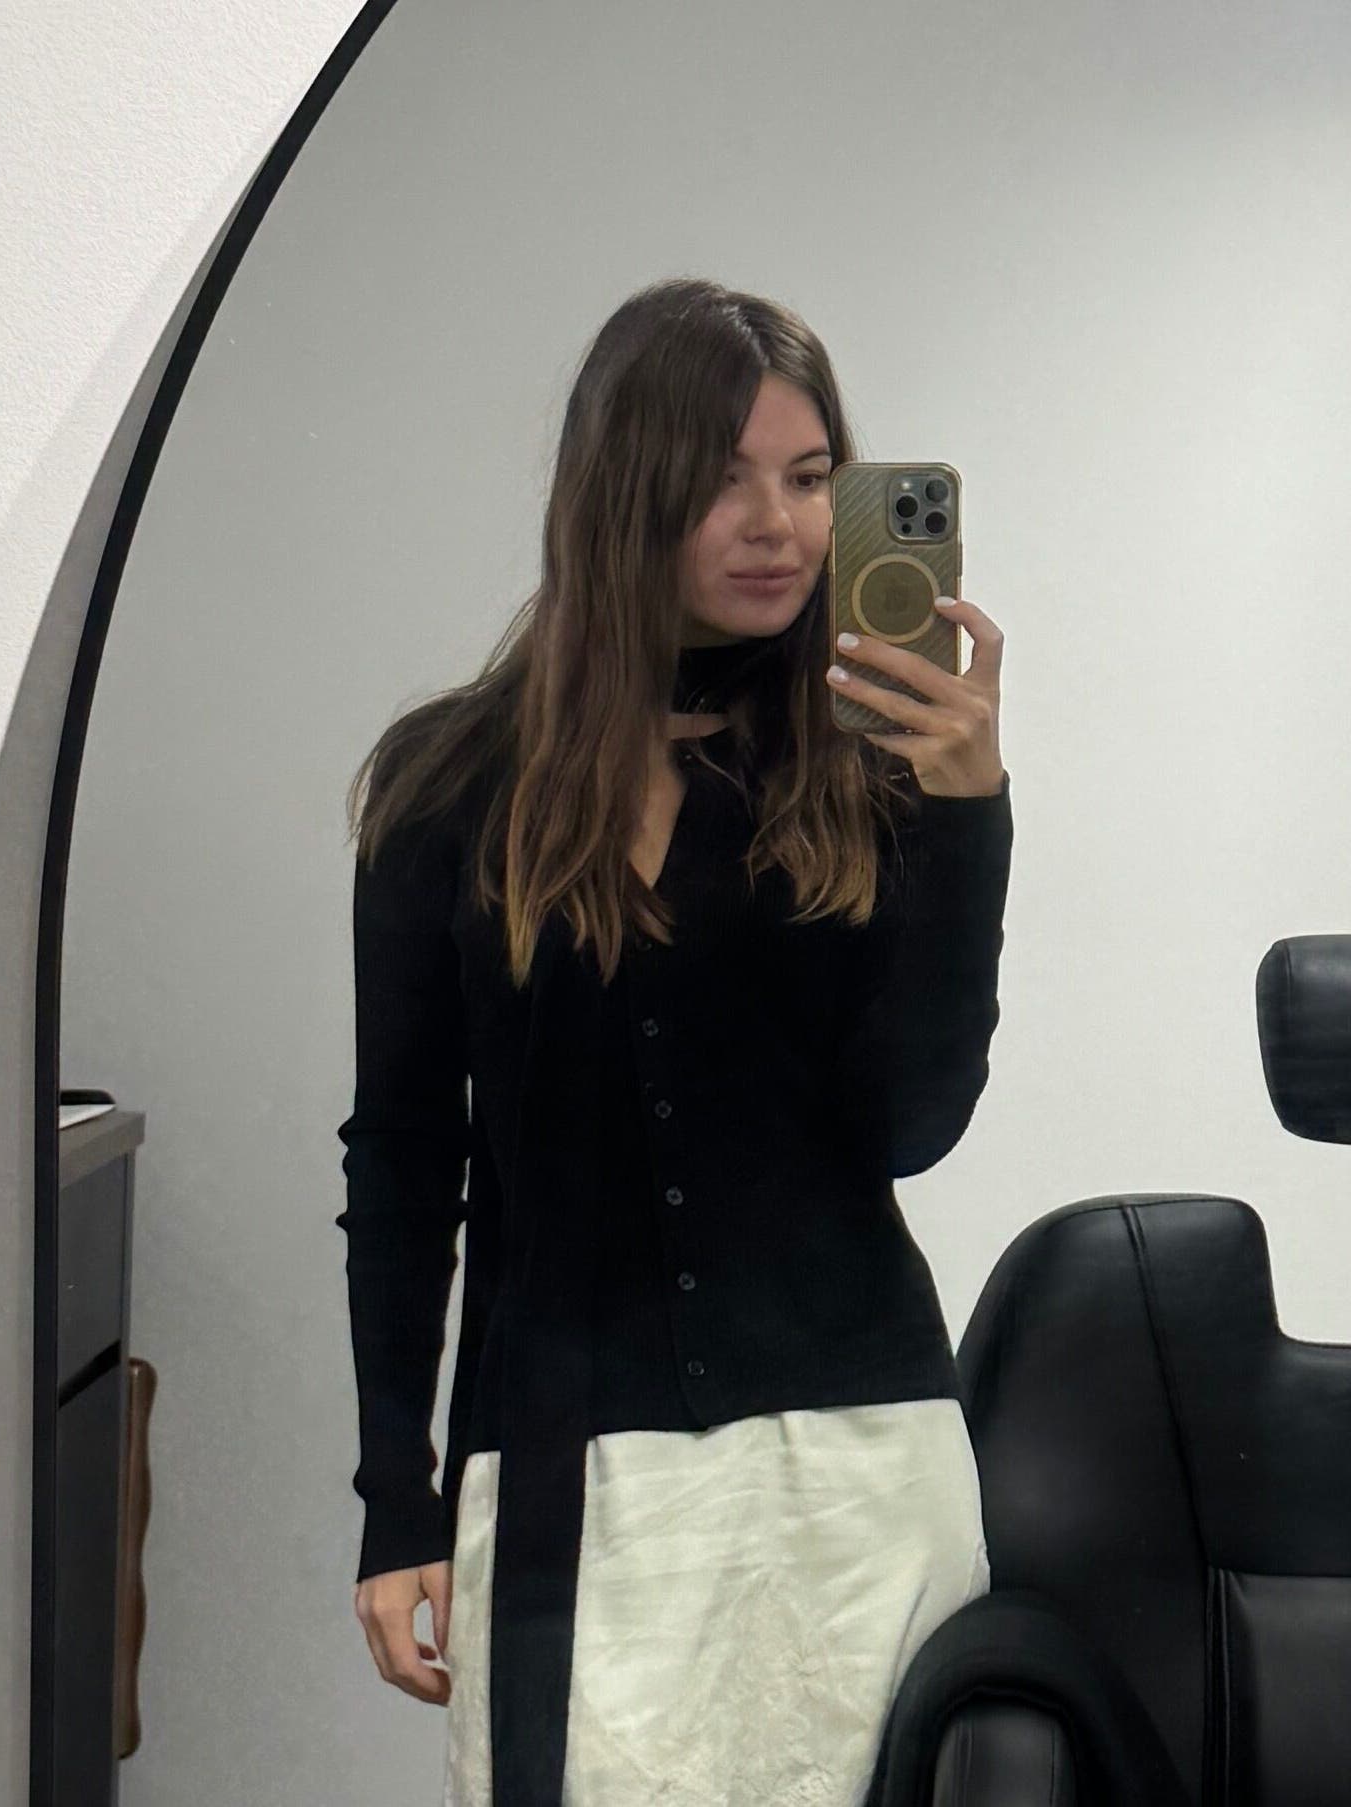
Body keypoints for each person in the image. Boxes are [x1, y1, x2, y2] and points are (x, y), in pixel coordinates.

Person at [335, 277, 1012, 1806]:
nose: (775, 523)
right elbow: (403, 1157)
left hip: (859, 1471)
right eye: (720, 478)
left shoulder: (873, 771)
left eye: (809, 475)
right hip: (575, 1475)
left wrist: (968, 817)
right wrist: (399, 1499)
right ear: (622, 491)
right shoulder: (450, 788)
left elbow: (909, 1122)